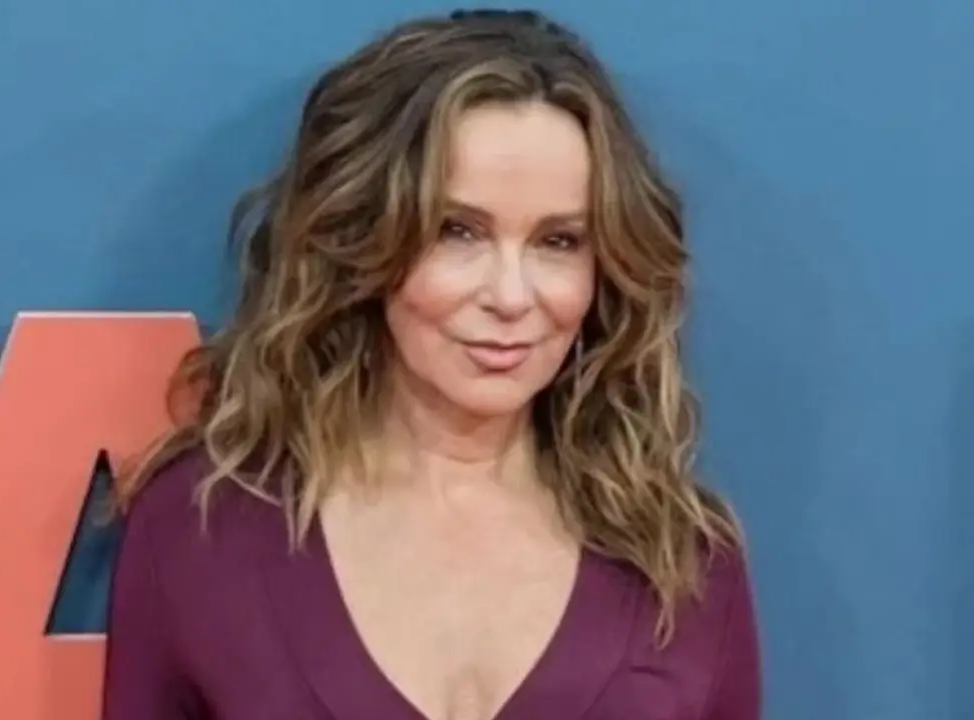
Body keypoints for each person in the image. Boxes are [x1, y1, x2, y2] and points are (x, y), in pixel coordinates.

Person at [102, 8, 761, 720]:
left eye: (559, 241)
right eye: (458, 232)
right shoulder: (202, 530)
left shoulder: (684, 564)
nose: (511, 296)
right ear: (364, 239)